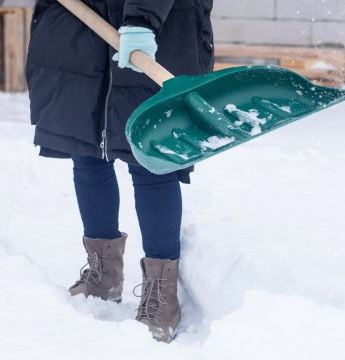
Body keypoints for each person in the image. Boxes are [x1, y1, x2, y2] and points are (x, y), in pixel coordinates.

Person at [25, 0, 214, 342]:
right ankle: (104, 272)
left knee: (152, 158)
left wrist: (144, 18)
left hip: (161, 28)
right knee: (87, 148)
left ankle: (162, 292)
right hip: (78, 27)